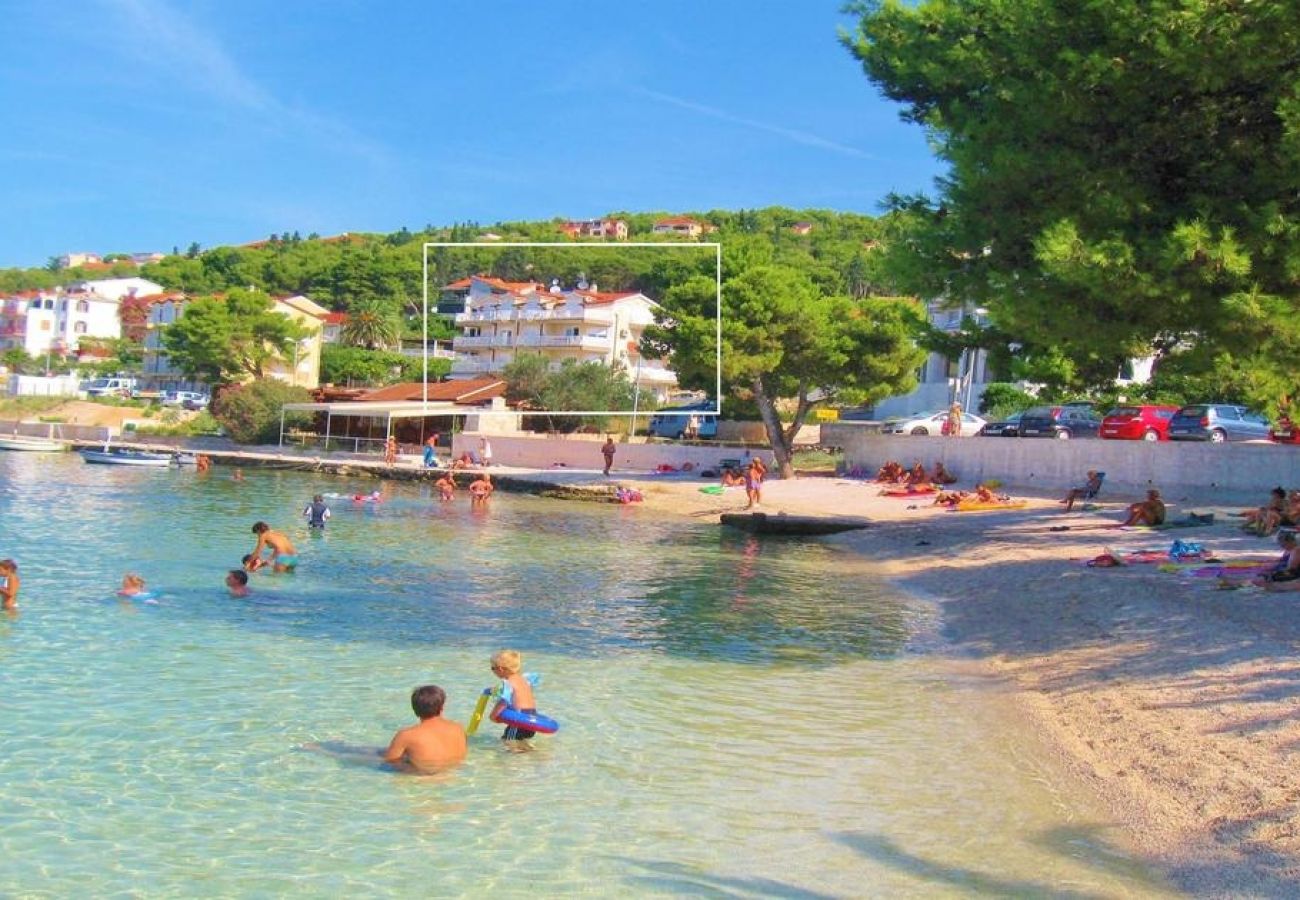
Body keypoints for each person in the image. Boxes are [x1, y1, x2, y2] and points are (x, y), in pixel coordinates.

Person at [383, 685, 468, 773]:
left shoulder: (406, 735)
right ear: (442, 707)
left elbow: (390, 762)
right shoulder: (458, 728)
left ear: (415, 710)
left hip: (424, 779)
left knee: (371, 754)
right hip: (453, 774)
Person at [488, 649, 538, 742]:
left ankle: (534, 755)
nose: (492, 671)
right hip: (532, 720)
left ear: (500, 669)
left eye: (492, 668)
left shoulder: (508, 684)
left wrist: (493, 716)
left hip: (518, 722)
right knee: (520, 743)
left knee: (508, 743)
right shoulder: (525, 680)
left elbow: (503, 701)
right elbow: (519, 695)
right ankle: (532, 754)